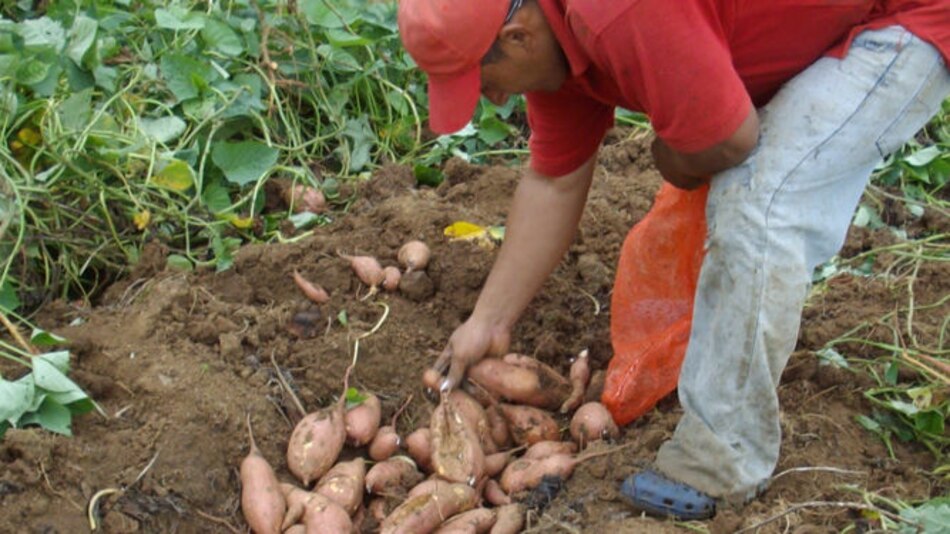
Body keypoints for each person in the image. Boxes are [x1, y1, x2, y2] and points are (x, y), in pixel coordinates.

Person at [397, 0, 950, 520]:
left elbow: (731, 143)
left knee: (759, 200)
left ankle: (721, 462)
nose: (493, 101)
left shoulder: (621, 13)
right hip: (815, 20)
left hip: (901, 19)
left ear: (518, 36)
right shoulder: (554, 41)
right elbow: (554, 179)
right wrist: (488, 321)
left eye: (485, 83)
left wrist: (674, 157)